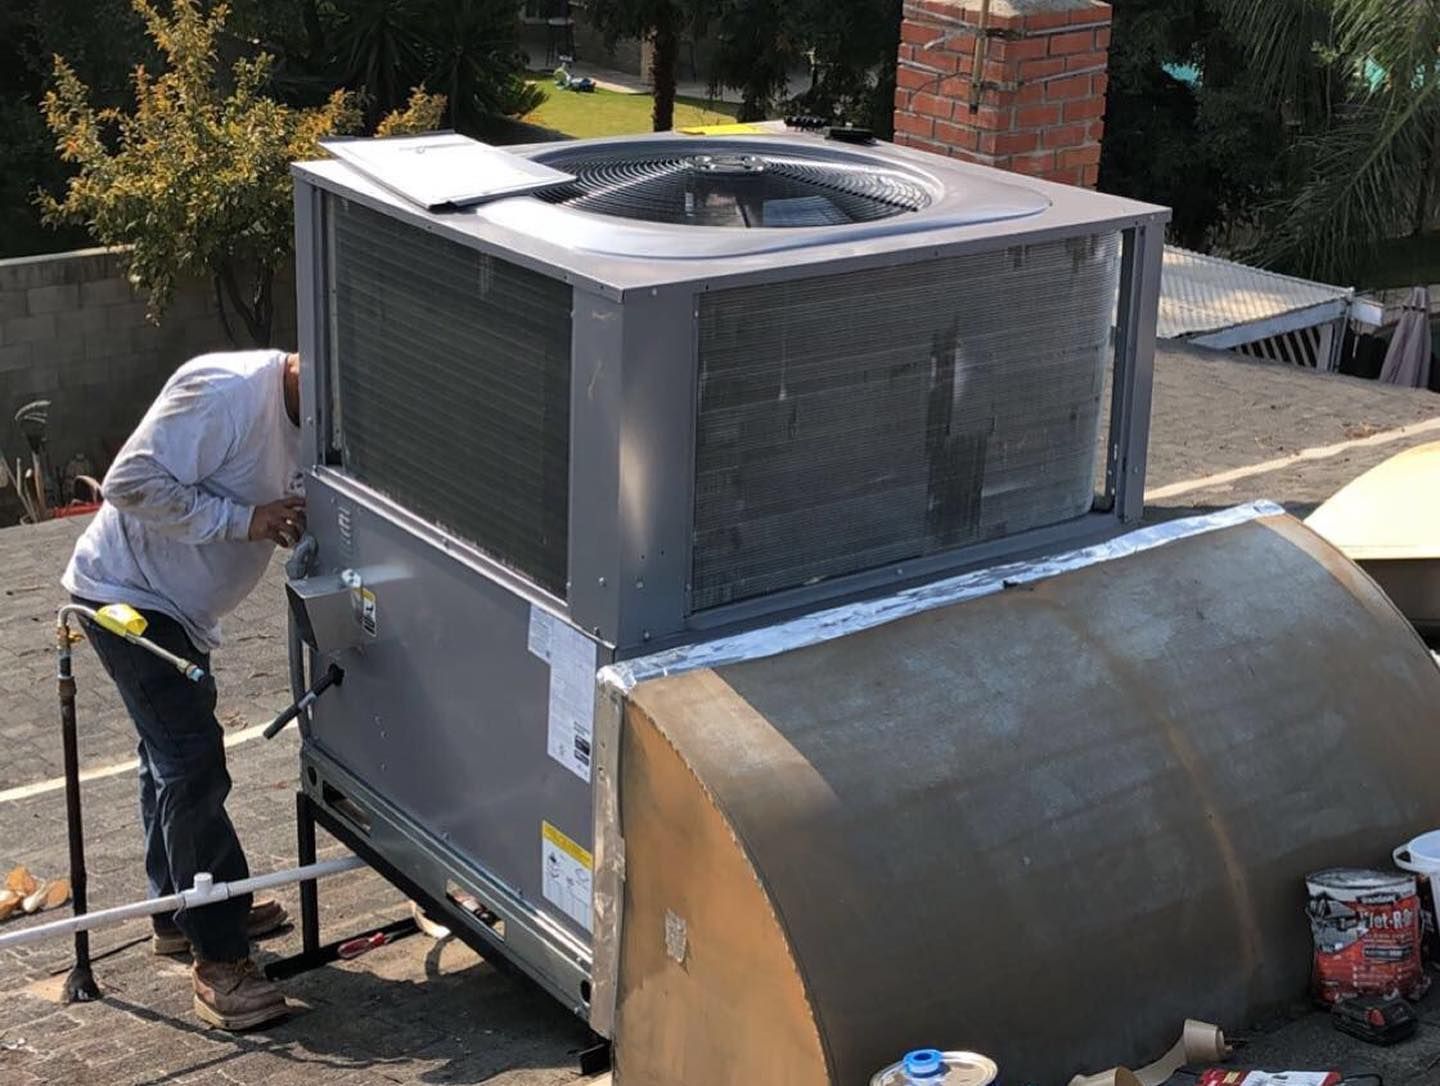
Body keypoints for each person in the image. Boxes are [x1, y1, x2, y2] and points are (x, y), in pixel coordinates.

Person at [61, 349, 307, 1031]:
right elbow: (128, 482)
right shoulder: (225, 391)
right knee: (191, 760)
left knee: (166, 753)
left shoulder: (320, 414)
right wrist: (245, 520)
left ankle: (178, 909)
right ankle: (218, 956)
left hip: (181, 607)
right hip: (126, 594)